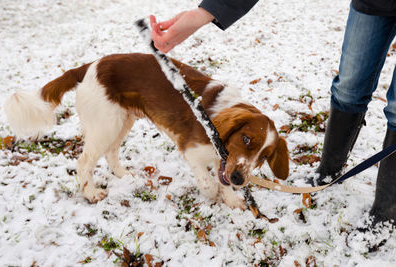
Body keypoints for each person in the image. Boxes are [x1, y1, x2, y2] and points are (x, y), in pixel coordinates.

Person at [150, 0, 396, 247]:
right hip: (372, 4)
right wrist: (206, 12)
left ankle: (386, 212)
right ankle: (329, 171)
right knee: (347, 91)